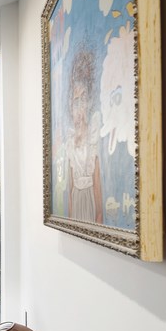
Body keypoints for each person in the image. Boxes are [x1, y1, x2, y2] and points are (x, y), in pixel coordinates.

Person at [66, 48, 103, 223]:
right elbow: (70, 186)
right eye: (75, 101)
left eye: (83, 99)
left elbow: (96, 181)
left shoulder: (93, 136)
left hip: (88, 199)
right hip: (77, 199)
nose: (79, 107)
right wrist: (71, 216)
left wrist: (99, 214)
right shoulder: (70, 142)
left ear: (88, 103)